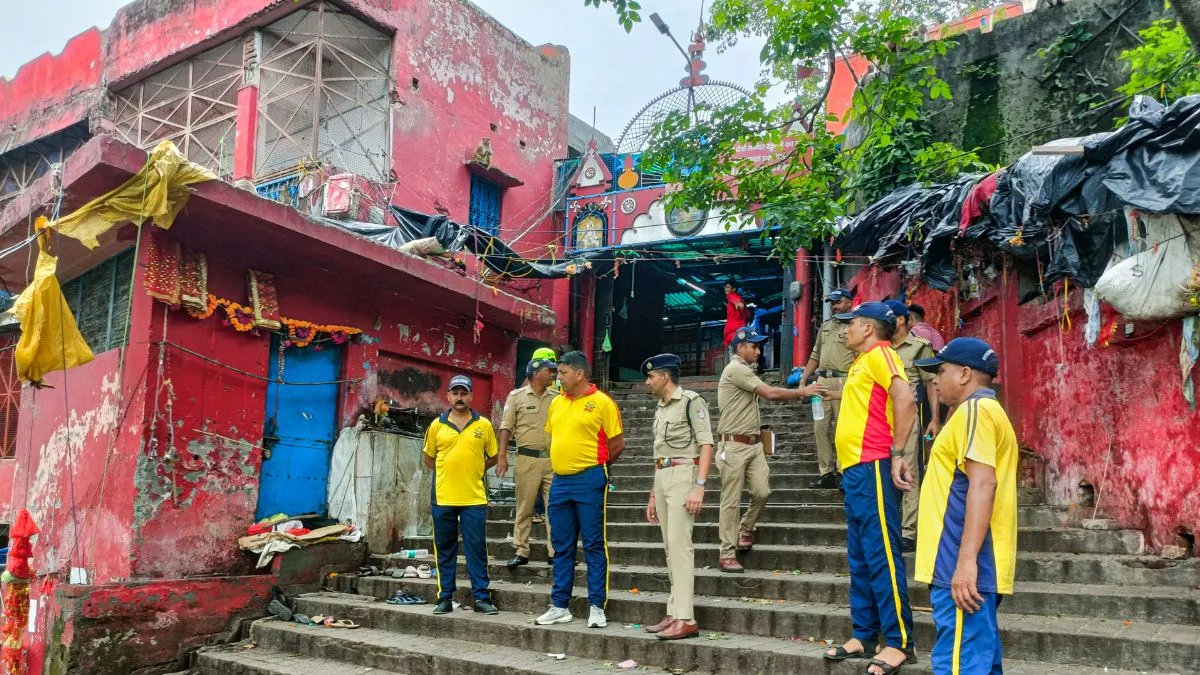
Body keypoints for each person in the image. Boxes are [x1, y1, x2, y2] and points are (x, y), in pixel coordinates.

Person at [821, 302, 917, 675]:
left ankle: (898, 642)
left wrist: (897, 454)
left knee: (882, 556)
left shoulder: (882, 354)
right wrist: (839, 395)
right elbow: (870, 402)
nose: (845, 330)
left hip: (875, 464)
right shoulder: (862, 362)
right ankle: (864, 633)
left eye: (851, 324)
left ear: (868, 328)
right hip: (855, 471)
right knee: (860, 556)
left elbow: (905, 398)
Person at [913, 338, 1017, 675]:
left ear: (965, 374)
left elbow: (983, 483)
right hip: (964, 559)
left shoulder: (975, 411)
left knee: (958, 663)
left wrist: (966, 562)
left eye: (941, 371)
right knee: (978, 663)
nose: (936, 380)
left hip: (959, 558)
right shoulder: (981, 412)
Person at [716, 327, 827, 573]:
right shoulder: (736, 369)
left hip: (754, 444)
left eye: (758, 346)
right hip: (733, 445)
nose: (758, 351)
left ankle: (745, 529)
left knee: (762, 491)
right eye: (754, 347)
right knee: (730, 502)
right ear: (740, 348)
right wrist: (803, 391)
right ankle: (726, 553)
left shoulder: (746, 370)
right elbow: (770, 393)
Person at [535, 351, 625, 629]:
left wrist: (595, 466)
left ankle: (597, 606)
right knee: (561, 547)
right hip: (560, 481)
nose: (557, 378)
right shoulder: (556, 404)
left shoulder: (602, 403)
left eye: (562, 373)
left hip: (589, 480)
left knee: (594, 544)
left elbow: (617, 443)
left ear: (579, 374)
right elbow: (555, 438)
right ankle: (560, 605)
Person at [641, 353, 714, 641]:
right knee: (671, 548)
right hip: (663, 476)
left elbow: (707, 443)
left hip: (684, 475)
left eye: (650, 376)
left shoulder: (691, 402)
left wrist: (699, 485)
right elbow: (659, 454)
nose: (647, 382)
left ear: (665, 376)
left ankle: (686, 618)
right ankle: (673, 612)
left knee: (681, 547)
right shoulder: (660, 408)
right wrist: (652, 494)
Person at [422, 374, 500, 616]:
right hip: (443, 497)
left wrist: (474, 470)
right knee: (444, 549)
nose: (459, 397)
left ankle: (482, 598)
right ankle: (445, 598)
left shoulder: (483, 425)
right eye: (455, 393)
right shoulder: (437, 425)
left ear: (471, 396)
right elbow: (428, 459)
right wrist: (449, 472)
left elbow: (494, 456)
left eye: (464, 393)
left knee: (476, 548)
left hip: (474, 498)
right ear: (448, 396)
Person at [884, 300, 941, 553]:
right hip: (879, 419)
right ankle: (889, 527)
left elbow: (931, 385)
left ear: (900, 319)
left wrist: (935, 419)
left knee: (910, 474)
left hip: (907, 420)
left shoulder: (920, 348)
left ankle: (908, 531)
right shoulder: (880, 349)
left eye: (888, 317)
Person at [497, 355, 559, 570]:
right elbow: (506, 427)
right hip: (526, 458)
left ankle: (555, 552)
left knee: (555, 509)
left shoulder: (557, 398)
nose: (553, 374)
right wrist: (502, 454)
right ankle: (521, 550)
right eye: (548, 370)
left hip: (553, 459)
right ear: (535, 373)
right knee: (524, 507)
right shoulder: (516, 397)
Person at [804, 288, 858, 489]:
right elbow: (815, 356)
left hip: (844, 380)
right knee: (820, 426)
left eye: (839, 302)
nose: (835, 306)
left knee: (842, 428)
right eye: (832, 303)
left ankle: (844, 471)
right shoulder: (825, 327)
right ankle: (826, 473)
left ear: (849, 303)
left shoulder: (855, 325)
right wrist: (804, 380)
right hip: (821, 381)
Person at [723, 281, 754, 352]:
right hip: (741, 331)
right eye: (725, 287)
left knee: (735, 355)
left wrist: (739, 305)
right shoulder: (742, 301)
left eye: (728, 287)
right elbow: (748, 315)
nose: (725, 289)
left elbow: (739, 303)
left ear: (733, 289)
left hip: (733, 330)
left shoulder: (731, 295)